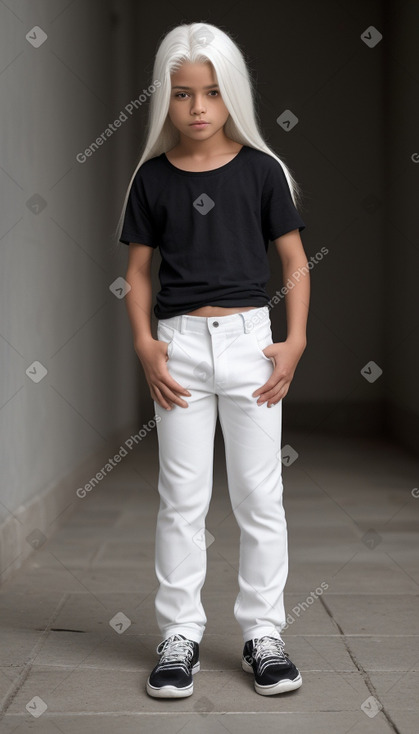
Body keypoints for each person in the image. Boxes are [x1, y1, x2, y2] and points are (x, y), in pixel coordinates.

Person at [115, 21, 310, 699]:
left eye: (211, 93)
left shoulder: (262, 172)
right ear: (163, 100)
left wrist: (294, 340)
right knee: (181, 499)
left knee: (260, 497)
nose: (197, 107)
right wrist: (145, 343)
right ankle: (180, 636)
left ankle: (263, 634)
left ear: (232, 96)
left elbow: (292, 262)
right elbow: (138, 274)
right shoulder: (152, 180)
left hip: (251, 345)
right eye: (180, 94)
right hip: (179, 353)